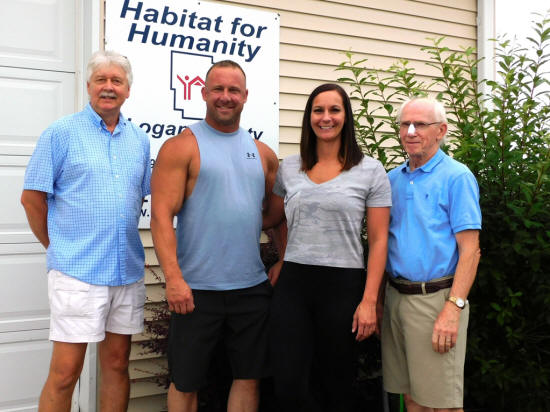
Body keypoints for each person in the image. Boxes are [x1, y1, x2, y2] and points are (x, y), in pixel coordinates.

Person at [20, 50, 151, 412]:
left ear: (128, 90)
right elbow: (31, 199)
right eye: (101, 80)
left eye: (117, 81)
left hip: (125, 271)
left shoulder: (139, 140)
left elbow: (138, 198)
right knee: (66, 373)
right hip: (77, 271)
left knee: (117, 365)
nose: (109, 87)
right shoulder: (61, 133)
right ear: (89, 86)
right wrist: (57, 246)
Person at [150, 60, 279, 412]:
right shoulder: (181, 147)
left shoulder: (263, 154)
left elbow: (279, 214)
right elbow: (160, 217)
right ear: (204, 93)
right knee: (186, 381)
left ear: (245, 96)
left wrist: (282, 257)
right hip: (195, 290)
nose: (225, 96)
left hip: (251, 288)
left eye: (233, 90)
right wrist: (174, 279)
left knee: (248, 378)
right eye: (218, 89)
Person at [264, 83, 392, 411]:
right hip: (294, 285)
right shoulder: (290, 168)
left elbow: (379, 240)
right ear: (309, 117)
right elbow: (274, 218)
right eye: (318, 110)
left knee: (336, 383)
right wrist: (282, 256)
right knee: (288, 383)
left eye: (334, 110)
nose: (326, 117)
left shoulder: (370, 170)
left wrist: (370, 300)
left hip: (343, 285)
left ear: (346, 116)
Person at [382, 97, 482, 412]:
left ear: (441, 131)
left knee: (443, 404)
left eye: (421, 124)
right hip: (395, 298)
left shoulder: (457, 177)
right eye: (405, 124)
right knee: (411, 398)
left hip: (436, 300)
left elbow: (471, 250)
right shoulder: (392, 179)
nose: (410, 131)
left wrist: (453, 308)